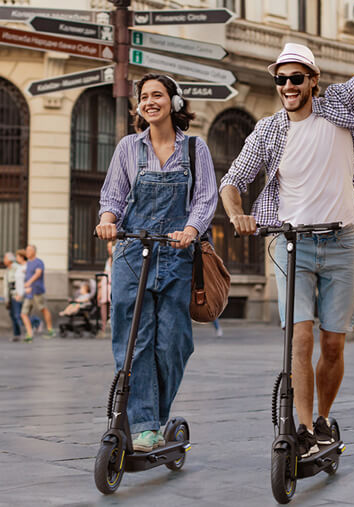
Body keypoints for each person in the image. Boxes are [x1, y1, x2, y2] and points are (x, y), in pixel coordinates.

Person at [220, 0, 354, 458]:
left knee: (333, 345)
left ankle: (322, 419)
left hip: (342, 242)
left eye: (297, 78)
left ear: (313, 81)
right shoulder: (269, 131)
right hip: (290, 244)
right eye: (281, 79)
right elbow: (232, 181)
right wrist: (237, 212)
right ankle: (301, 427)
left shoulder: (338, 103)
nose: (288, 86)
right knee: (300, 336)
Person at [96, 73, 217, 452]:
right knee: (134, 342)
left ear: (173, 102)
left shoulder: (196, 149)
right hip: (133, 254)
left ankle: (156, 415)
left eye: (157, 95)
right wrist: (107, 221)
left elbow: (205, 198)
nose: (150, 102)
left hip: (178, 254)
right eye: (144, 97)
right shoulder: (128, 148)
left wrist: (192, 229)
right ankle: (145, 423)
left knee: (173, 343)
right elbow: (113, 196)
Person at [21, 244, 55, 340]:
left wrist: (29, 283)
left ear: (34, 252)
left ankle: (50, 330)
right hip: (29, 293)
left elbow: (38, 273)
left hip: (37, 291)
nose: (27, 252)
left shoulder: (38, 262)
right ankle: (29, 334)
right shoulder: (27, 263)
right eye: (26, 250)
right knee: (24, 313)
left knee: (43, 309)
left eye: (29, 250)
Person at [13, 249, 41, 342]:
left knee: (21, 315)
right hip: (19, 294)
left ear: (21, 257)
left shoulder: (27, 267)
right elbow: (19, 283)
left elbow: (30, 280)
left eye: (17, 256)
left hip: (26, 294)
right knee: (21, 315)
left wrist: (26, 290)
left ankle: (36, 322)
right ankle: (30, 331)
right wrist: (17, 293)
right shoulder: (19, 267)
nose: (16, 258)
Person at [3, 252, 21, 342]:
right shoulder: (7, 270)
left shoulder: (17, 268)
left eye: (5, 258)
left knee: (18, 315)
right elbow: (6, 286)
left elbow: (20, 281)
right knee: (13, 315)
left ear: (9, 260)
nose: (4, 260)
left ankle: (35, 323)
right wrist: (6, 299)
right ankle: (16, 334)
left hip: (17, 295)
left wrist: (19, 293)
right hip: (10, 295)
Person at [97, 240, 114, 338]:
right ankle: (104, 325)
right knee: (103, 303)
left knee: (112, 302)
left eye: (110, 247)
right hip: (105, 283)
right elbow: (105, 273)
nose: (108, 249)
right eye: (107, 248)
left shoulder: (116, 258)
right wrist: (99, 287)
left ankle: (111, 322)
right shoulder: (108, 260)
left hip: (112, 283)